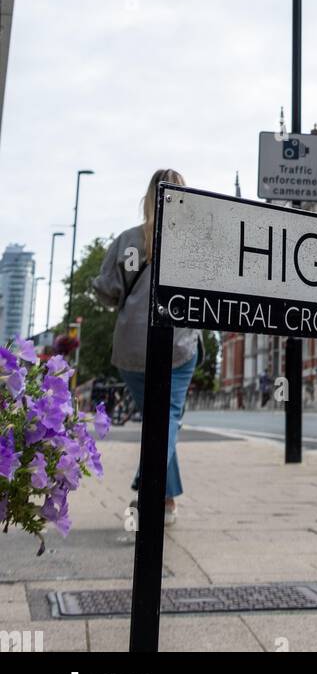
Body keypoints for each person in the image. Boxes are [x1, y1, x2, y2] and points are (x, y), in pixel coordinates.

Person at [92, 168, 199, 527]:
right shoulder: (196, 244)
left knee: (157, 421)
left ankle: (166, 502)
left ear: (147, 199)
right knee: (165, 419)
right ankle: (150, 490)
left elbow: (107, 291)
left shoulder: (127, 241)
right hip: (178, 344)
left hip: (132, 349)